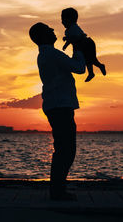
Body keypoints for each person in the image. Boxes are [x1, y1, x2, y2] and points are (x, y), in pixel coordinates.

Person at [29, 22, 85, 201]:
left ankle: (57, 190)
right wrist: (78, 45)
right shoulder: (51, 54)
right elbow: (79, 68)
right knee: (66, 150)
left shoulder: (47, 54)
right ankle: (58, 192)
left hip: (57, 105)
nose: (53, 30)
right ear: (42, 36)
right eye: (49, 30)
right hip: (60, 106)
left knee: (64, 149)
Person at [61, 7, 106, 82]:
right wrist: (66, 44)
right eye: (62, 20)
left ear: (70, 20)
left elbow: (77, 37)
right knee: (89, 60)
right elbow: (71, 39)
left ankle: (96, 69)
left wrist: (67, 40)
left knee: (90, 59)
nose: (62, 22)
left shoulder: (74, 27)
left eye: (64, 19)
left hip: (86, 44)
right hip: (81, 46)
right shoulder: (68, 31)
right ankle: (94, 70)